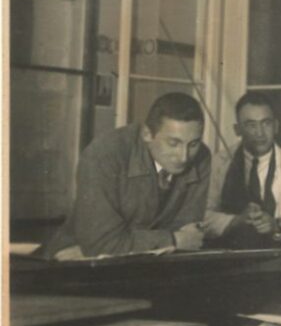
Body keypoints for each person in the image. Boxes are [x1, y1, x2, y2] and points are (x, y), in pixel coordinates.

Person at [44, 92, 211, 258]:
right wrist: (172, 239)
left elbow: (190, 236)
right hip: (77, 261)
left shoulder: (201, 157)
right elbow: (101, 244)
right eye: (173, 143)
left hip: (152, 264)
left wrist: (175, 240)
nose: (183, 157)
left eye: (193, 144)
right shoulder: (105, 154)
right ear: (147, 134)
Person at [204, 91, 281, 248]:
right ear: (237, 129)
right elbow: (202, 216)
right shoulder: (217, 164)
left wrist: (275, 224)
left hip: (274, 257)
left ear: (276, 126)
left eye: (265, 123)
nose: (259, 133)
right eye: (251, 125)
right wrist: (235, 221)